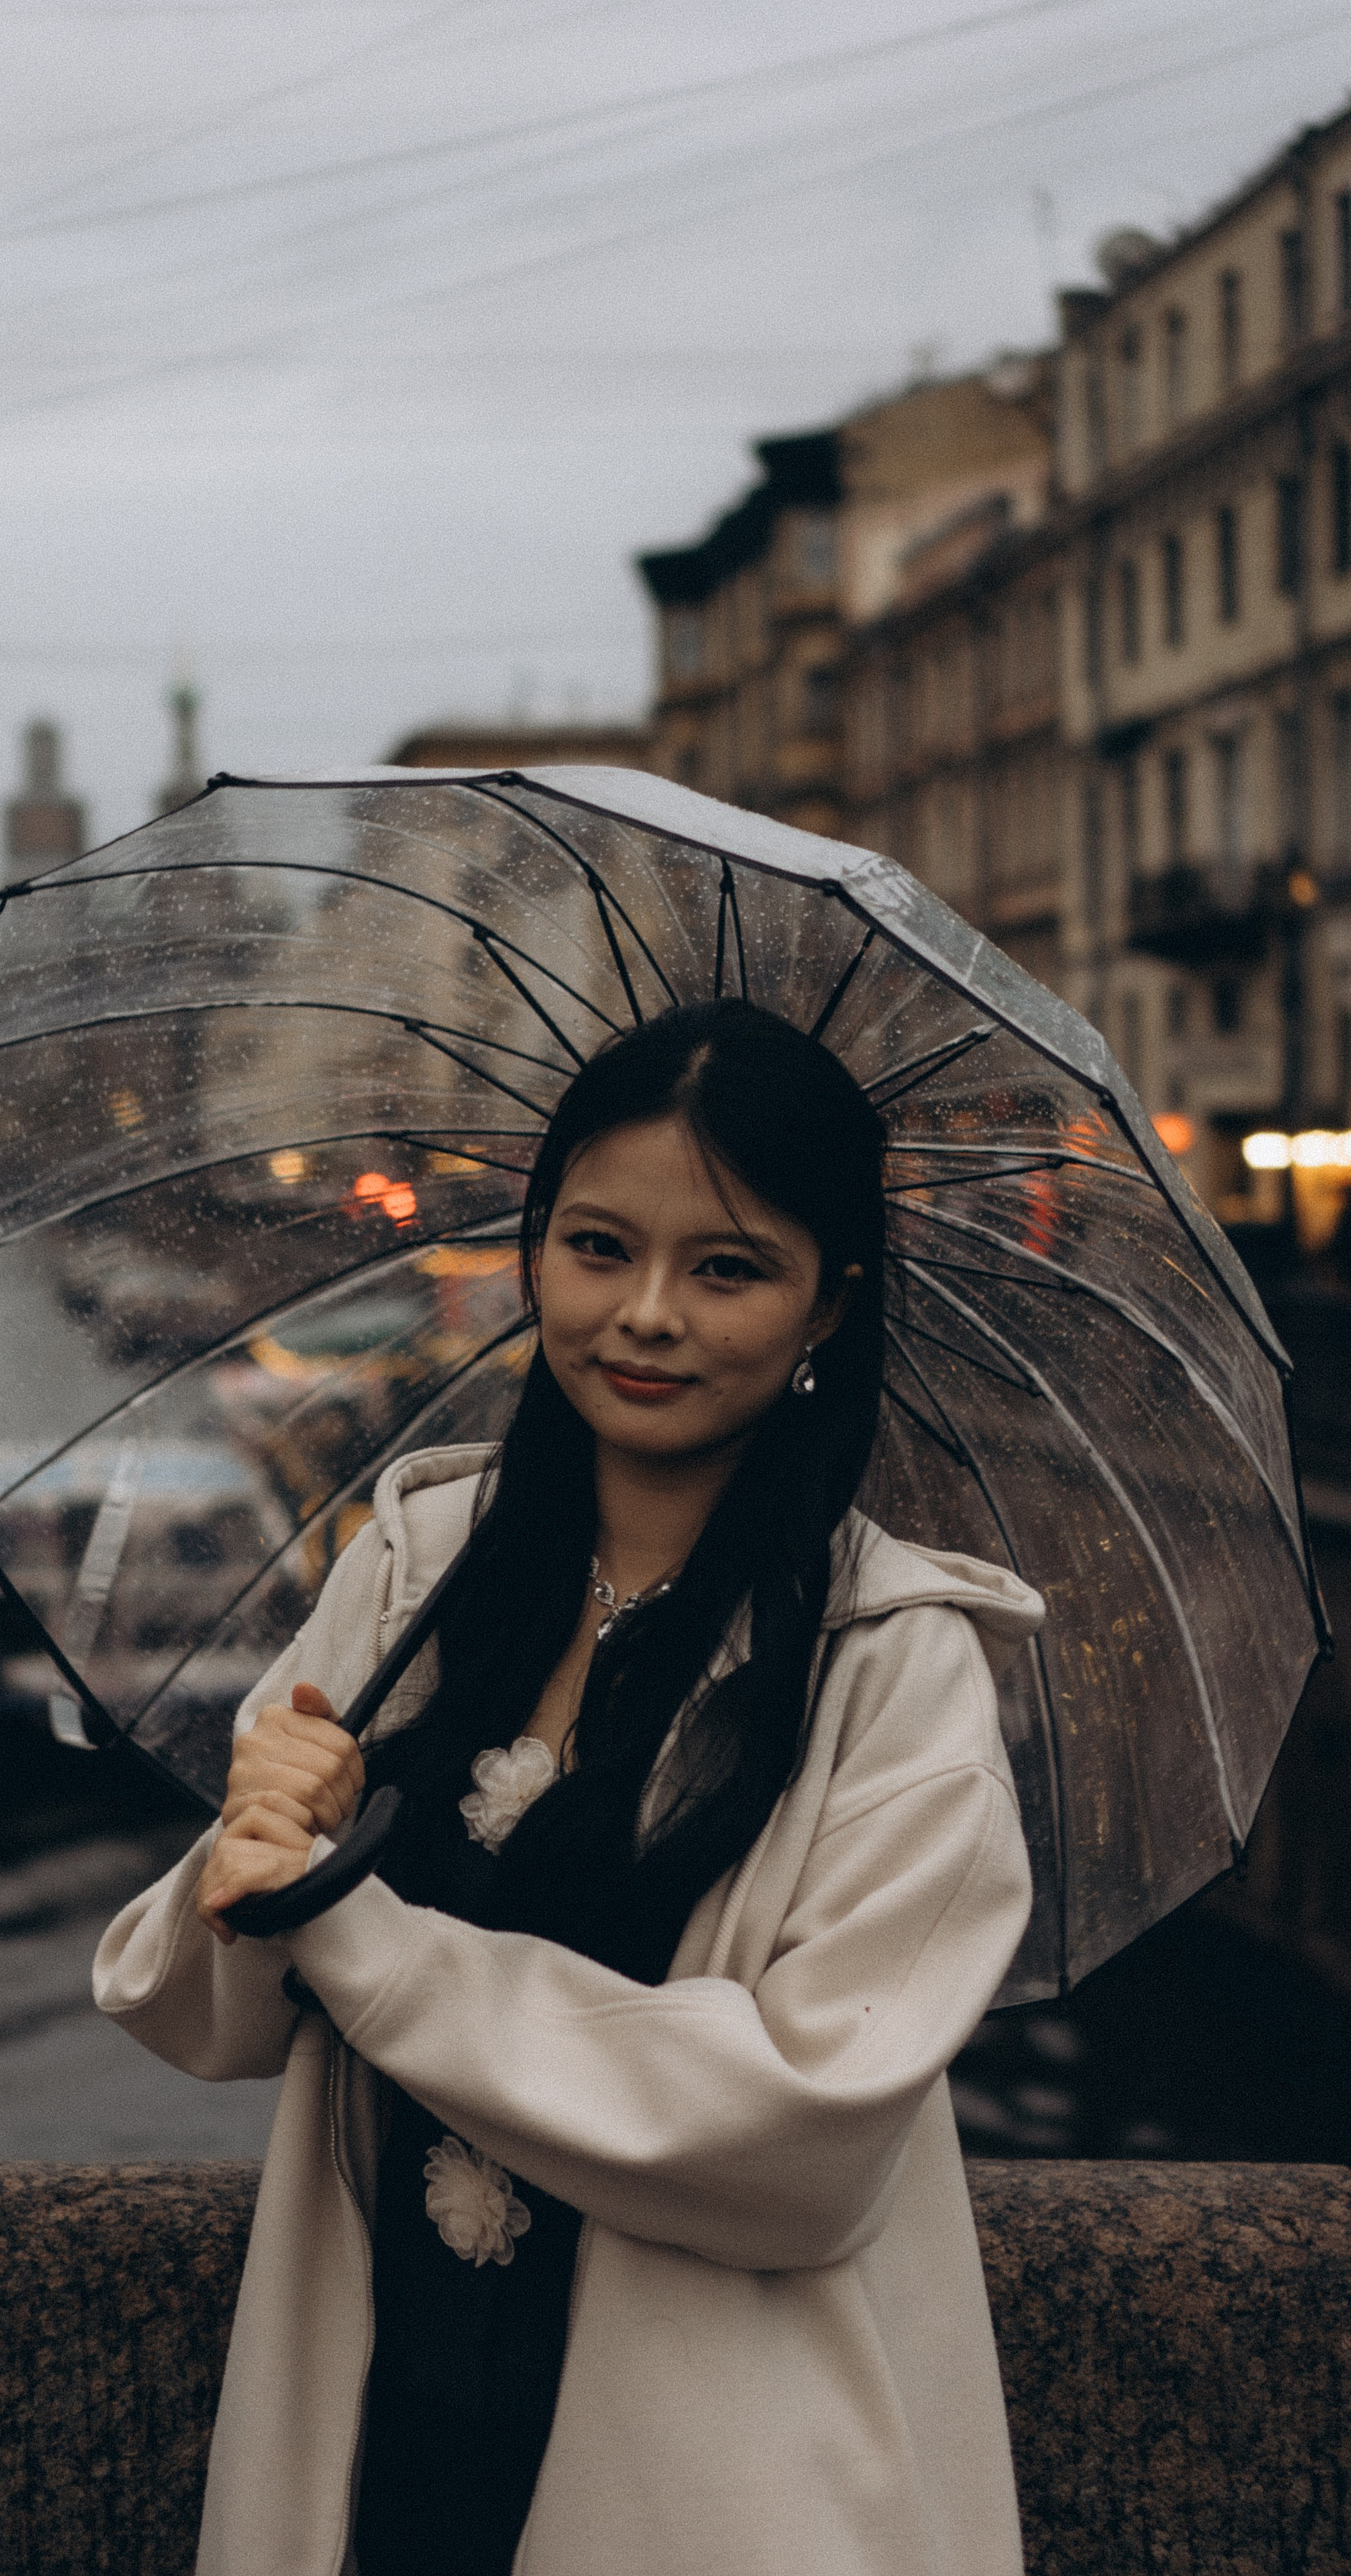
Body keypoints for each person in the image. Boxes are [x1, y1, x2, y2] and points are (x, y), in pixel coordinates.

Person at [94, 998, 1044, 2576]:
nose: (645, 1315)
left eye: (726, 1268)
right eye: (598, 1248)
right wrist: (254, 1857)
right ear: (534, 1251)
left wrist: (362, 1933)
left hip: (709, 2493)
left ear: (828, 1304)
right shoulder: (414, 1568)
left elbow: (805, 2152)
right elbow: (206, 2023)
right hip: (384, 2437)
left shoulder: (889, 1664)